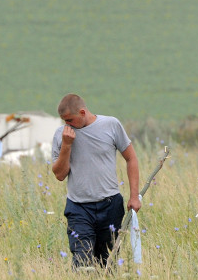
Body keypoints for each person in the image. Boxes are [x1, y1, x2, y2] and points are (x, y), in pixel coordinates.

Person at [51, 94, 140, 268]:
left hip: (110, 205)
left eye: (70, 120)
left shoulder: (111, 125)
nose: (66, 125)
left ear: (82, 112)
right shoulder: (61, 135)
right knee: (82, 260)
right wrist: (66, 146)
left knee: (108, 262)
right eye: (63, 121)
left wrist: (134, 197)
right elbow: (60, 175)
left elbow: (131, 159)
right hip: (79, 208)